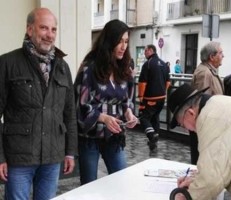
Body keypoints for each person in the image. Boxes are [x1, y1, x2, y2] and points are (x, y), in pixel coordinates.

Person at [0, 8, 77, 199]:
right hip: (19, 157)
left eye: (53, 29)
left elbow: (70, 113)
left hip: (52, 156)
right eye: (43, 28)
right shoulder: (7, 63)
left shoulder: (62, 66)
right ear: (29, 29)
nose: (49, 35)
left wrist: (70, 152)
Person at [74, 19, 138, 185]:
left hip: (114, 136)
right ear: (109, 41)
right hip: (89, 137)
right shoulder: (89, 68)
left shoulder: (124, 69)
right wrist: (103, 117)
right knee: (89, 186)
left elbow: (127, 100)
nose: (124, 47)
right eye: (119, 41)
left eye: (126, 42)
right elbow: (80, 105)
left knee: (122, 181)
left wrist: (129, 113)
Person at [189, 41, 224, 165]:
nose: (223, 56)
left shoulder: (208, 71)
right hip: (204, 126)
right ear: (212, 57)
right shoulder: (204, 72)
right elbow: (201, 101)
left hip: (208, 124)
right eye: (220, 53)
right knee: (201, 160)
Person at [138, 44, 170, 151]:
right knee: (155, 117)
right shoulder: (164, 64)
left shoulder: (148, 64)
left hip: (150, 98)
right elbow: (168, 82)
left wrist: (141, 97)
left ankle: (152, 135)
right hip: (162, 97)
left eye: (146, 50)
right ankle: (154, 142)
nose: (144, 53)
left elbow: (142, 83)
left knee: (144, 118)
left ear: (151, 50)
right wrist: (163, 92)